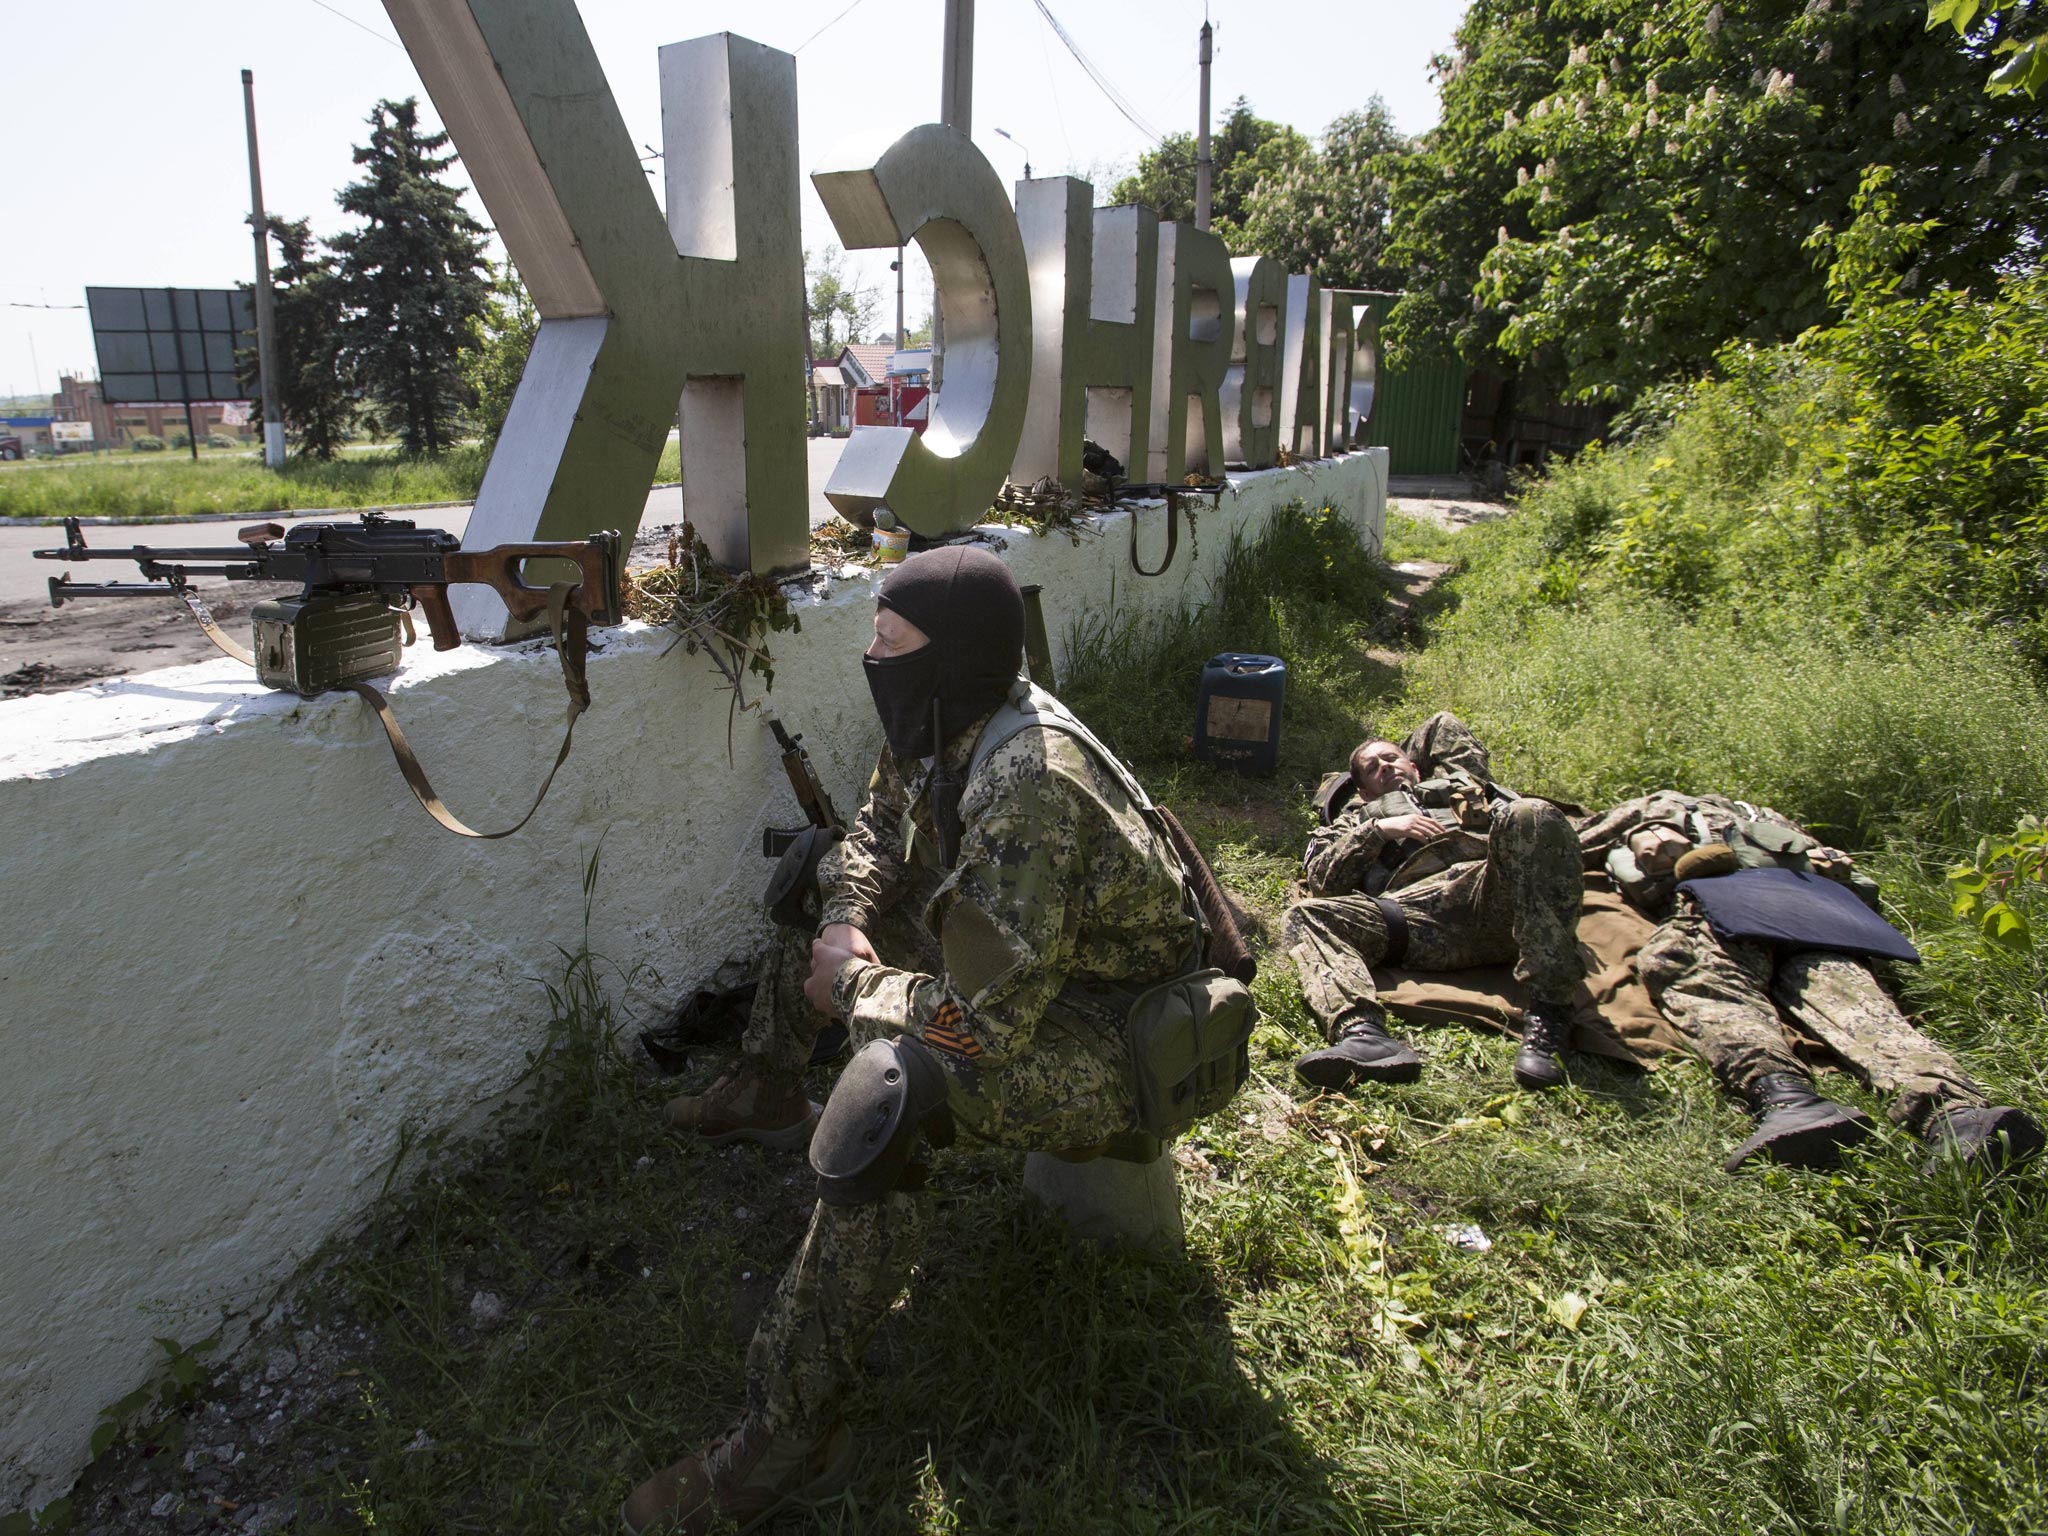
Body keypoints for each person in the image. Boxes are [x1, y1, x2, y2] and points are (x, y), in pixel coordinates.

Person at [623, 545, 1206, 1535]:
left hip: (1109, 1028)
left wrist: (850, 982)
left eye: (888, 643)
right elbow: (871, 826)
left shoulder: (1026, 786)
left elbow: (977, 1031)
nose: (869, 656)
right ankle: (766, 1089)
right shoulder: (939, 714)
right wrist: (849, 918)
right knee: (813, 878)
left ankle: (789, 1428)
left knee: (889, 1099)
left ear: (950, 657)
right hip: (1033, 975)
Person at [1579, 791, 2045, 1174]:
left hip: (1753, 910)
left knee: (1682, 961)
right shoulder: (1748, 813)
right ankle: (1948, 1113)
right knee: (1851, 999)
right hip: (1795, 913)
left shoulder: (1665, 807)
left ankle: (1795, 1099)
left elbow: (1575, 841)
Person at [1281, 712, 1585, 1092]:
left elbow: (1442, 725)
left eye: (1392, 758)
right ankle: (1364, 1035)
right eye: (1372, 768)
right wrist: (1378, 831)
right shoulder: (1352, 821)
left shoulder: (1465, 788)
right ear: (1362, 792)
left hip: (1494, 895)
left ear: (1415, 765)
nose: (1384, 767)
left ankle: (1549, 1016)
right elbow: (1324, 881)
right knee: (1305, 916)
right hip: (1420, 919)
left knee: (1533, 812)